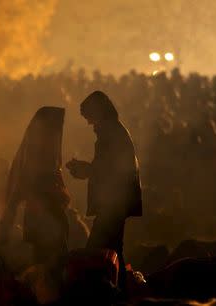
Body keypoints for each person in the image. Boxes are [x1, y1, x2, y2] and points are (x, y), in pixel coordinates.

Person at [66, 91, 142, 290]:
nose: (90, 124)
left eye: (90, 118)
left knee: (96, 253)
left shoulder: (111, 134)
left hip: (113, 204)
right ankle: (124, 291)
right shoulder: (114, 131)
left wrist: (86, 169)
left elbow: (111, 170)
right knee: (113, 250)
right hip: (116, 203)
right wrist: (88, 169)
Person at [0, 107, 70, 268]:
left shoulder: (45, 160)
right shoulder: (35, 161)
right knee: (47, 267)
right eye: (55, 129)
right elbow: (23, 190)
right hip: (43, 223)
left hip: (49, 223)